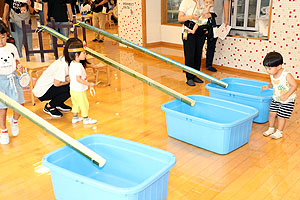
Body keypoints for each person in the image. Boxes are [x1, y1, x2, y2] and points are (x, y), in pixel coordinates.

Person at [261, 52, 297, 139]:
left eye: (269, 68)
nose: (267, 71)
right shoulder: (272, 73)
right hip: (276, 98)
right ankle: (271, 128)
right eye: (266, 68)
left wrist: (286, 95)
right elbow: (274, 82)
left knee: (281, 116)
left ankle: (279, 132)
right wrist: (268, 86)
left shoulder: (286, 75)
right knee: (272, 114)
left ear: (279, 66)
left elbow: (295, 85)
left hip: (287, 100)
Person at [0, 20, 25, 145]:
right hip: (1, 81)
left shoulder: (12, 47)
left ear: (6, 35)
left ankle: (14, 121)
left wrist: (19, 67)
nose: (0, 41)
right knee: (2, 108)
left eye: (3, 37)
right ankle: (3, 131)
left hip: (13, 79)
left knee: (20, 105)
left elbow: (17, 62)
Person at [64, 38, 97, 124]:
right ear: (76, 55)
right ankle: (85, 118)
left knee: (76, 103)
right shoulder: (78, 66)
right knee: (84, 104)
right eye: (83, 53)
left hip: (73, 89)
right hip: (79, 90)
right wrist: (89, 84)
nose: (85, 54)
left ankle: (75, 117)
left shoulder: (72, 63)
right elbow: (78, 79)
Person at [178, 0, 206, 86]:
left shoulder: (202, 2)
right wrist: (191, 17)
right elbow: (180, 18)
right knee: (190, 55)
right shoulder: (186, 2)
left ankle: (195, 75)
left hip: (199, 32)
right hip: (188, 32)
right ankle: (189, 77)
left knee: (198, 55)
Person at [204, 0, 230, 72]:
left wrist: (226, 20)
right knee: (199, 43)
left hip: (216, 20)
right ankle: (194, 65)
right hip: (203, 19)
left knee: (212, 43)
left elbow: (226, 4)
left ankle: (209, 65)